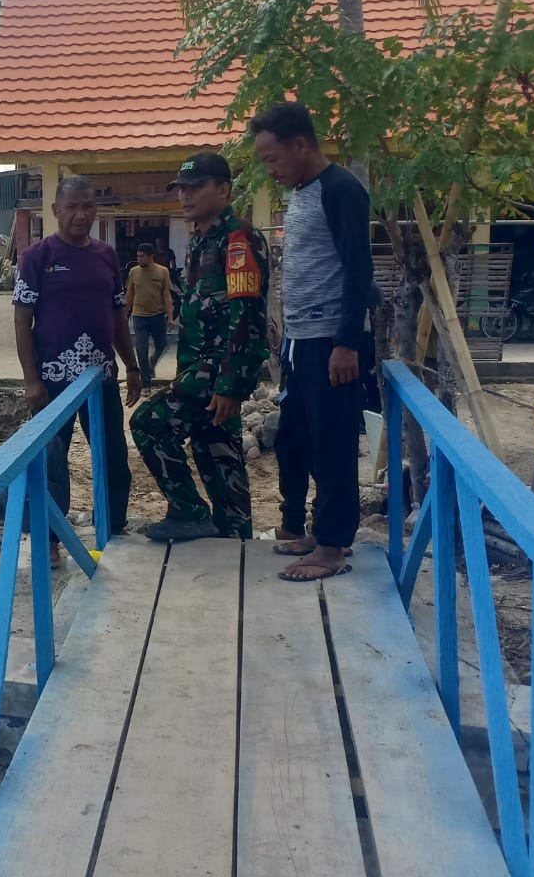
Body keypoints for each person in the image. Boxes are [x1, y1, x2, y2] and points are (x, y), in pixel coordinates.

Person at [251, 102, 373, 581]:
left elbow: (358, 268)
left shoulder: (341, 189)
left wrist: (347, 343)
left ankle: (333, 547)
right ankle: (320, 532)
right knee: (298, 439)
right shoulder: (302, 192)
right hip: (300, 341)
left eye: (272, 158)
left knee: (333, 442)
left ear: (299, 145)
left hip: (331, 342)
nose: (270, 169)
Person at [132, 153, 270, 542]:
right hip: (200, 366)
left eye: (195, 188)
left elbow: (247, 315)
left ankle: (188, 511)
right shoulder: (200, 240)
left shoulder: (238, 239)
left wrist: (231, 384)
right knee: (217, 454)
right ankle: (235, 539)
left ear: (223, 189)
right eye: (181, 189)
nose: (185, 196)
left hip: (217, 370)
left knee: (149, 423)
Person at [13, 176, 140, 563]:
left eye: (87, 206)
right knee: (50, 460)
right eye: (71, 207)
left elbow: (118, 317)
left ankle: (112, 530)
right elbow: (22, 321)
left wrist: (132, 366)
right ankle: (49, 540)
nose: (80, 215)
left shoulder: (106, 256)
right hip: (52, 382)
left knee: (113, 456)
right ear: (56, 210)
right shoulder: (37, 257)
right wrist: (31, 380)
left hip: (100, 379)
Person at [124, 242, 175, 387]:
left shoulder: (163, 271)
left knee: (162, 345)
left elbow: (166, 295)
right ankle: (146, 383)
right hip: (139, 316)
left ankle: (152, 363)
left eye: (142, 256)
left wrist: (170, 317)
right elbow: (129, 294)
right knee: (141, 350)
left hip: (157, 315)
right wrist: (124, 313)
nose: (139, 259)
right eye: (138, 256)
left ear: (151, 256)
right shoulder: (134, 272)